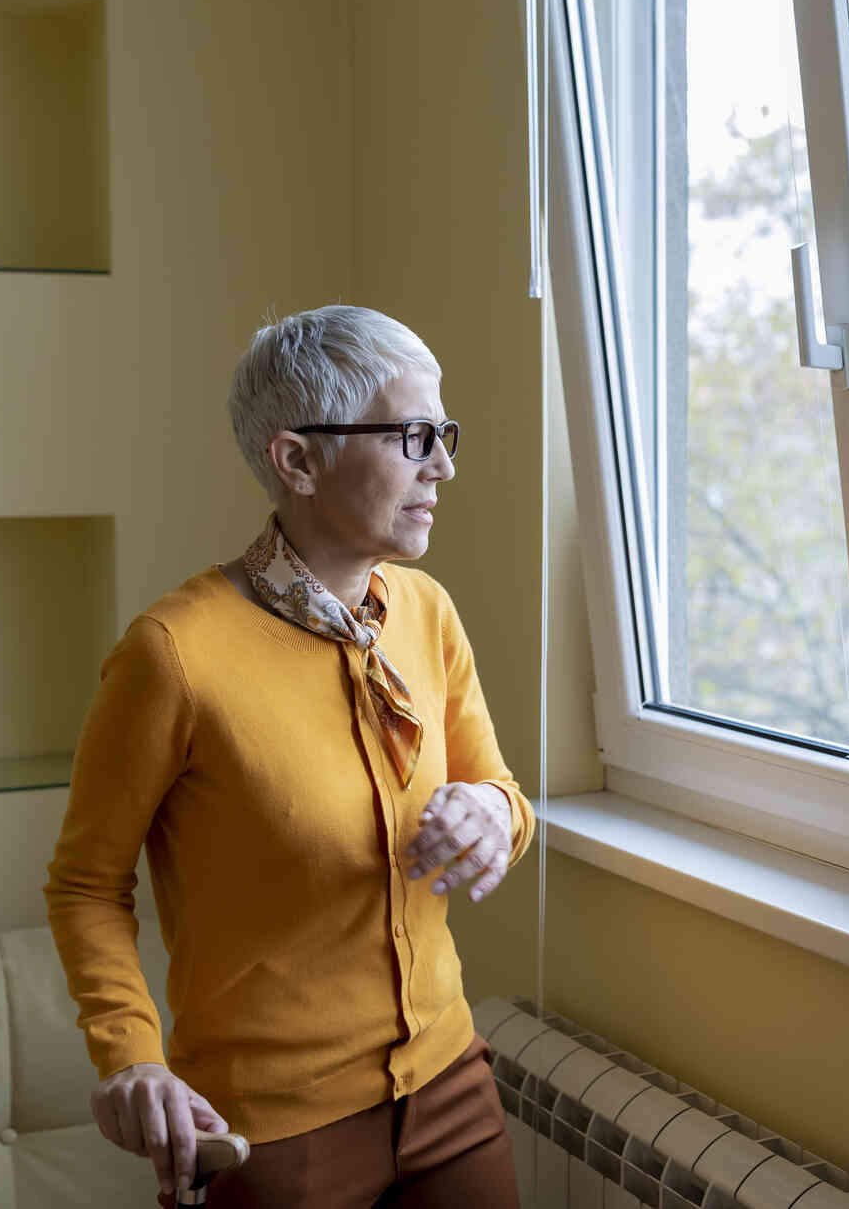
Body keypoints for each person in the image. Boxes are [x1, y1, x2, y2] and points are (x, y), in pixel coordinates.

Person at [44, 305, 532, 1208]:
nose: (444, 464)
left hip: (451, 1088)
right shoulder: (172, 655)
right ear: (297, 460)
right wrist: (130, 1058)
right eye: (412, 435)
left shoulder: (427, 611)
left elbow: (500, 791)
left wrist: (493, 814)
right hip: (270, 1133)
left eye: (444, 433)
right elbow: (85, 885)